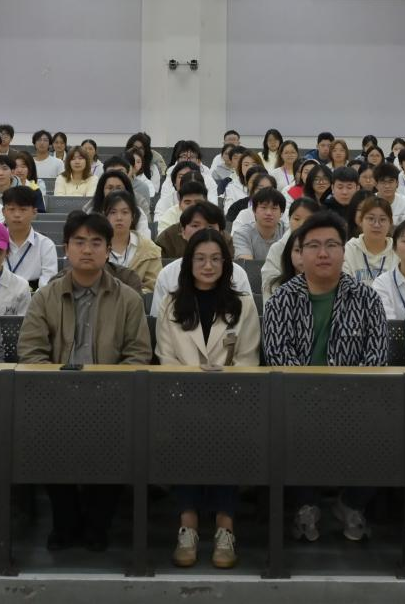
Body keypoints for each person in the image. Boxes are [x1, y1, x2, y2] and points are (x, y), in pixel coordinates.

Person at [17, 211, 151, 552]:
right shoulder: (45, 297)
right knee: (43, 432)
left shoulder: (128, 299)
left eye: (96, 242)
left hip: (111, 397)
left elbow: (138, 354)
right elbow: (31, 352)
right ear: (66, 248)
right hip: (56, 397)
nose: (87, 249)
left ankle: (97, 523)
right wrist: (57, 390)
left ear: (108, 250)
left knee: (119, 434)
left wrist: (108, 391)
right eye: (79, 242)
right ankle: (65, 520)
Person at [262, 211, 388, 543]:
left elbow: (375, 360)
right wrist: (316, 400)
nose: (323, 253)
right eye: (313, 246)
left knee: (392, 426)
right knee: (286, 423)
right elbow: (279, 359)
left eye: (332, 245)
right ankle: (306, 505)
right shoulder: (281, 301)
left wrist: (342, 400)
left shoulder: (367, 299)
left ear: (344, 251)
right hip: (297, 402)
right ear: (300, 254)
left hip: (356, 403)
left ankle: (351, 504)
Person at [155, 228, 261, 569]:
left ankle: (224, 527)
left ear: (226, 264)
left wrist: (219, 393)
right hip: (181, 400)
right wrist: (193, 395)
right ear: (188, 263)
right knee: (186, 430)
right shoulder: (171, 303)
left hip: (231, 400)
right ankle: (187, 525)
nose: (208, 265)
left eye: (216, 259)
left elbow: (248, 359)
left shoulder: (242, 303)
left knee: (226, 431)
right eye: (200, 258)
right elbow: (166, 358)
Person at [152, 203, 253, 315]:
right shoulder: (168, 274)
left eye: (210, 227)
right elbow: (159, 319)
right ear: (183, 231)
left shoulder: (237, 274)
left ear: (221, 233)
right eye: (195, 226)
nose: (202, 231)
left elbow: (247, 318)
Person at [262, 197, 321, 305]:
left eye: (308, 220)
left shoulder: (325, 249)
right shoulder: (277, 248)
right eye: (296, 219)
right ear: (289, 219)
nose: (302, 224)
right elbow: (269, 283)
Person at [103, 190, 163, 292]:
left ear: (133, 217)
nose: (119, 218)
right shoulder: (95, 247)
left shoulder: (149, 249)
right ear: (105, 216)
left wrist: (129, 297)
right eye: (113, 212)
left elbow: (153, 287)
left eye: (125, 212)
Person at [3, 186, 59, 289]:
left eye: (23, 209)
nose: (17, 215)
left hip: (35, 296)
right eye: (11, 209)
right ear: (3, 212)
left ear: (34, 213)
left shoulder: (45, 245)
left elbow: (48, 283)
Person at [342, 196, 397, 285]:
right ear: (360, 221)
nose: (376, 225)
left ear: (390, 223)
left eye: (382, 219)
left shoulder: (398, 249)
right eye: (371, 219)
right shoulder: (350, 249)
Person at [232, 188, 287, 261]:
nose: (268, 213)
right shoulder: (242, 234)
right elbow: (247, 264)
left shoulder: (288, 233)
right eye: (263, 207)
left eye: (274, 208)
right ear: (254, 210)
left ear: (281, 213)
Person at [89, 170, 150, 236]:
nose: (114, 191)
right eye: (110, 188)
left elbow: (144, 238)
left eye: (119, 188)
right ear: (102, 190)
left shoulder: (138, 212)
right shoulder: (92, 212)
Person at [323, 167, 366, 237]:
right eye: (340, 187)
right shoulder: (323, 211)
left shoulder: (365, 210)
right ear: (332, 188)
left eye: (349, 187)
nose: (344, 192)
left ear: (357, 188)